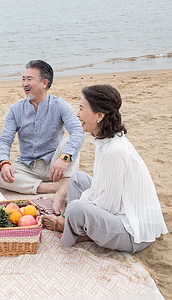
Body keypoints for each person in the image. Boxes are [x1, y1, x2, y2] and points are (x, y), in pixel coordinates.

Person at [43, 85, 168, 252]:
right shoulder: (106, 141)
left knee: (75, 208)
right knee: (77, 179)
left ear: (99, 115)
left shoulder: (114, 150)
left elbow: (109, 205)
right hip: (120, 210)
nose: (77, 115)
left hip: (133, 231)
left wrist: (68, 218)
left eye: (81, 109)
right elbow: (98, 189)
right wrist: (75, 213)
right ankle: (78, 227)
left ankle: (72, 228)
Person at [0, 60, 85, 214]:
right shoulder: (15, 110)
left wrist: (64, 158)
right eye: (23, 79)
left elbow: (78, 132)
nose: (24, 84)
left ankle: (61, 187)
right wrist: (4, 162)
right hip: (27, 166)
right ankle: (53, 187)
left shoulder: (60, 106)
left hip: (54, 166)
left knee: (71, 142)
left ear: (44, 83)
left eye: (29, 79)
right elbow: (5, 139)